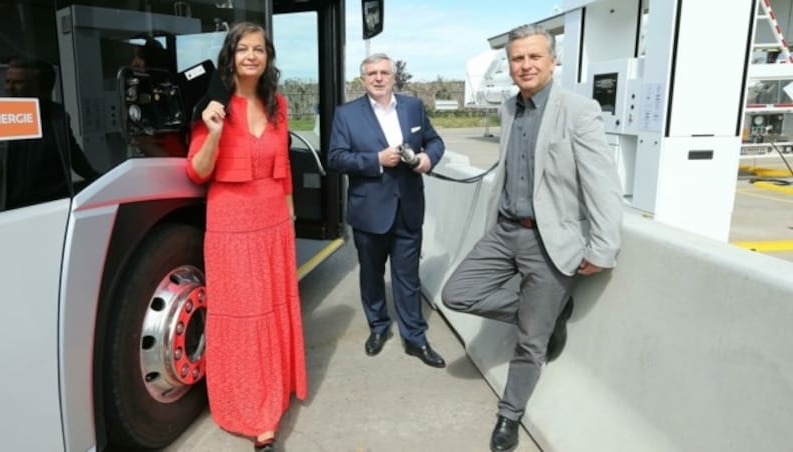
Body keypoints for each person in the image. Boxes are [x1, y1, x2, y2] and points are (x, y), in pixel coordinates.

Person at [440, 25, 623, 452]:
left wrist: (602, 246)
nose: (525, 65)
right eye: (517, 58)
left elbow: (603, 184)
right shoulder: (509, 109)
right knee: (458, 293)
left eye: (534, 57)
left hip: (550, 240)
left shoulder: (578, 110)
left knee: (530, 343)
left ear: (552, 60)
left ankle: (509, 416)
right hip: (505, 231)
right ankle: (547, 314)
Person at [185, 22, 305, 452]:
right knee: (245, 314)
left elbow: (285, 164)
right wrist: (214, 131)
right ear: (230, 56)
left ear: (268, 57)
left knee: (272, 310)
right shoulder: (213, 105)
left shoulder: (278, 104)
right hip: (232, 224)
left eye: (259, 49)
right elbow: (197, 171)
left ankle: (275, 390)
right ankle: (255, 412)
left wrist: (290, 213)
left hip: (273, 220)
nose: (251, 55)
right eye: (243, 49)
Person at [328, 53, 447, 368]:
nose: (378, 78)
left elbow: (435, 142)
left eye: (384, 73)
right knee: (371, 276)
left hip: (408, 208)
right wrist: (375, 160)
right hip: (369, 213)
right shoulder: (346, 114)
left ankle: (415, 338)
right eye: (371, 74)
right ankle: (378, 327)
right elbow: (336, 158)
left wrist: (427, 159)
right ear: (363, 79)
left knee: (407, 278)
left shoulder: (413, 107)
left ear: (394, 77)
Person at [2, 56, 99, 209]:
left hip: (52, 204)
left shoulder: (57, 117)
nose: (9, 88)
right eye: (8, 81)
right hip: (10, 208)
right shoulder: (2, 116)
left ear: (41, 88)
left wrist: (97, 180)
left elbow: (73, 154)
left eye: (18, 83)